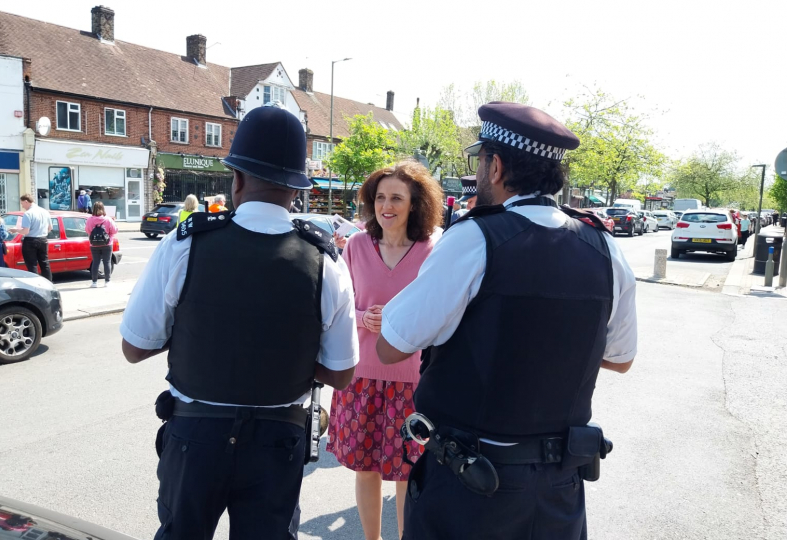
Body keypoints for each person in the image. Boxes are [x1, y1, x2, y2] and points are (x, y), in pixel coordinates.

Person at [376, 102, 638, 540]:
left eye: (479, 160)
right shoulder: (604, 249)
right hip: (557, 490)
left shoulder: (475, 238)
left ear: (495, 167)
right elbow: (620, 358)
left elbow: (391, 346)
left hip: (470, 489)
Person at [119, 106, 359, 540]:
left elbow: (135, 346)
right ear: (296, 189)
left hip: (195, 437)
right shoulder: (325, 260)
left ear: (237, 178)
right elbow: (342, 375)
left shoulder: (187, 241)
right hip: (277, 442)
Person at [326, 161, 443, 540]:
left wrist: (397, 322)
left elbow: (442, 314)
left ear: (415, 204)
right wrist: (365, 318)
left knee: (409, 472)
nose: (386, 206)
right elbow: (338, 308)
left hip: (413, 381)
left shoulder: (432, 250)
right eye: (380, 197)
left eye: (396, 197)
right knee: (366, 469)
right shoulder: (357, 246)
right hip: (361, 376)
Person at [8, 194, 52, 280]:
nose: (22, 206)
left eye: (22, 204)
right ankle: (49, 282)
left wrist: (16, 230)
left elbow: (25, 231)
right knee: (44, 263)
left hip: (31, 240)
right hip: (43, 239)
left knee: (32, 264)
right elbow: (50, 228)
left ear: (26, 201)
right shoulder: (45, 211)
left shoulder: (28, 214)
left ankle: (34, 284)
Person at [85, 201, 118, 288]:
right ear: (103, 209)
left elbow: (87, 231)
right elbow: (114, 230)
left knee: (95, 262)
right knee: (107, 262)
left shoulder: (89, 220)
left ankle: (94, 282)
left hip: (94, 244)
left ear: (94, 209)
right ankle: (107, 281)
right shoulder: (108, 219)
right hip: (107, 244)